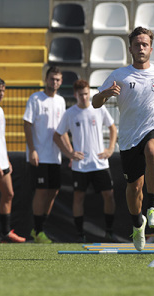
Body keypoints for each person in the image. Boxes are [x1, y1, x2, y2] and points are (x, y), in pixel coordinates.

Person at [92, 27, 154, 251]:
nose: (141, 48)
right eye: (137, 44)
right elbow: (94, 102)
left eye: (145, 44)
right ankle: (138, 223)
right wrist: (104, 94)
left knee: (152, 151)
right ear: (130, 48)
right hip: (129, 137)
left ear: (151, 48)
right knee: (134, 187)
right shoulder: (119, 75)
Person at [53, 79, 117, 242]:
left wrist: (110, 149)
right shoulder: (70, 113)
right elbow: (57, 135)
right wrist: (70, 153)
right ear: (75, 95)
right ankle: (80, 233)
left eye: (87, 94)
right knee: (78, 197)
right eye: (81, 94)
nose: (84, 97)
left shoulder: (99, 110)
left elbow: (112, 128)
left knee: (109, 195)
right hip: (80, 165)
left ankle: (109, 230)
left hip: (100, 162)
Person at [23, 66, 68, 243]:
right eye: (52, 79)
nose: (54, 82)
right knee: (41, 191)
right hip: (40, 155)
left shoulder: (61, 101)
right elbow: (27, 124)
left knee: (53, 191)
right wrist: (32, 149)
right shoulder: (35, 98)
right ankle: (39, 231)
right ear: (46, 79)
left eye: (57, 79)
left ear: (61, 81)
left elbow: (62, 130)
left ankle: (38, 228)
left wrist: (69, 152)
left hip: (55, 156)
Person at [0, 76, 26, 244]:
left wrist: (5, 160)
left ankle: (5, 232)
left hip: (1, 161)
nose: (1, 94)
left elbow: (0, 139)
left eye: (3, 90)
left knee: (9, 194)